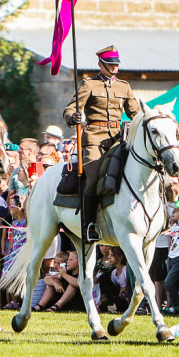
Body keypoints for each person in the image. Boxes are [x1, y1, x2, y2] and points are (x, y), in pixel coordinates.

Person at [62, 45, 143, 242]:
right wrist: (73, 117)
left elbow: (137, 114)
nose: (114, 68)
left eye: (116, 65)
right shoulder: (89, 85)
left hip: (118, 137)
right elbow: (70, 109)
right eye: (110, 65)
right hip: (94, 139)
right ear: (101, 64)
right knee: (93, 177)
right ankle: (89, 224)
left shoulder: (124, 87)